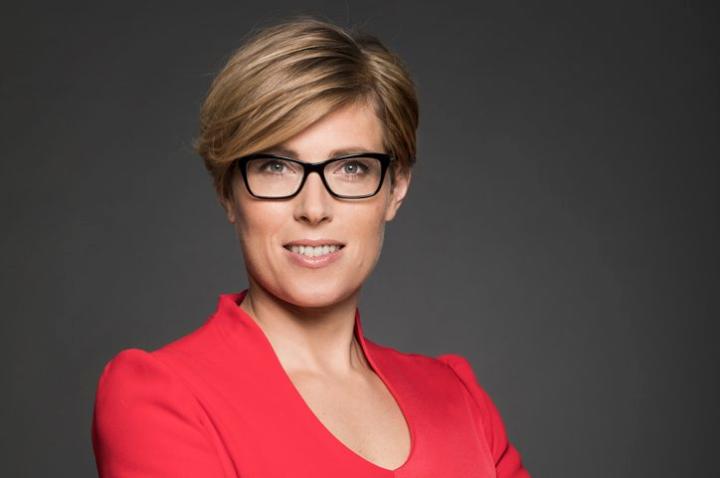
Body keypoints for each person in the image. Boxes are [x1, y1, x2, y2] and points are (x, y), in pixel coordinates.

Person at [91, 16, 531, 477]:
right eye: (275, 167)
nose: (314, 208)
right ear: (227, 190)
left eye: (352, 168)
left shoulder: (458, 397)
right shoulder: (162, 396)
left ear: (396, 187)